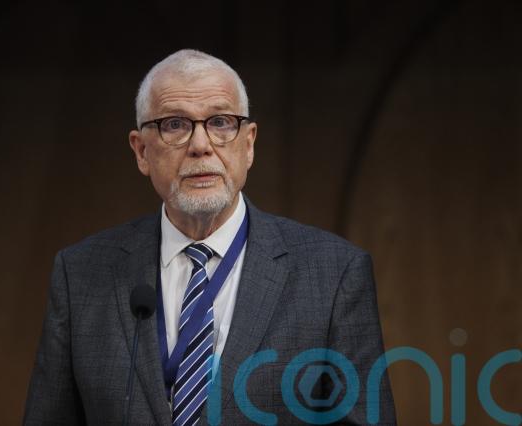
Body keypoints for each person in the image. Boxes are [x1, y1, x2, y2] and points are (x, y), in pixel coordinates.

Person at [24, 49, 396, 425]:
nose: (200, 145)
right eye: (174, 125)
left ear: (248, 144)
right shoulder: (81, 274)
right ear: (141, 151)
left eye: (220, 122)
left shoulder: (334, 274)